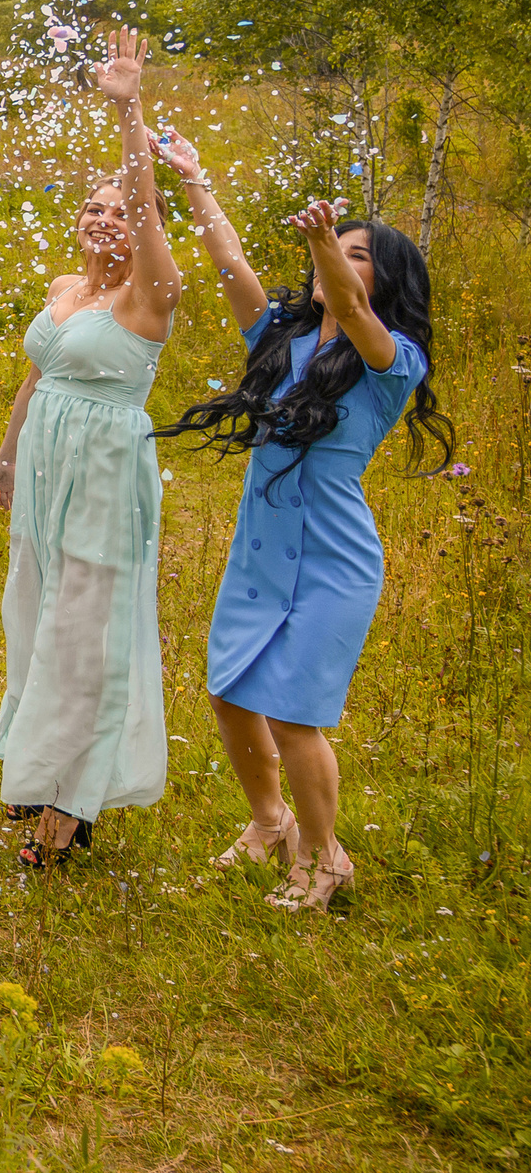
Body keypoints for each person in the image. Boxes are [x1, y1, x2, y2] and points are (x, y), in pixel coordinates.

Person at [153, 140, 452, 911]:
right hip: (262, 546)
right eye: (333, 247)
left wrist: (322, 240)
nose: (337, 265)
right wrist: (194, 178)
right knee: (227, 691)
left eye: (357, 255)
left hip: (333, 559)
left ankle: (325, 860)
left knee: (295, 713)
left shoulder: (395, 359)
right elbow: (229, 265)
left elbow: (352, 308)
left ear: (385, 281)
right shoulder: (280, 342)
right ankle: (268, 822)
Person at [0, 29, 179, 865]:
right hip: (45, 469)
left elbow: (149, 198)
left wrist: (129, 111)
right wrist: (6, 453)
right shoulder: (64, 290)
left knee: (84, 630)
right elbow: (38, 376)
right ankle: (40, 768)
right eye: (92, 206)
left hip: (103, 472)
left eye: (118, 208)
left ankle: (73, 803)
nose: (103, 216)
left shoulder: (151, 297)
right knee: (31, 612)